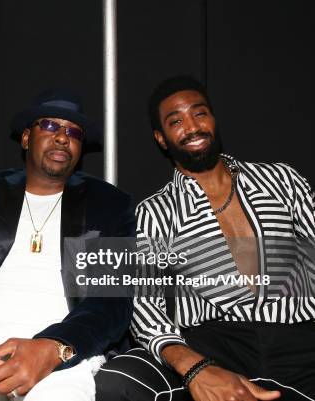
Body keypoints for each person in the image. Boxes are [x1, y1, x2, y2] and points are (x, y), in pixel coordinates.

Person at [96, 76, 315, 400]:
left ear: (213, 119)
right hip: (214, 345)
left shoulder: (281, 180)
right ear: (161, 138)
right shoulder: (155, 213)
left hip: (300, 338)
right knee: (119, 380)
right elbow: (143, 305)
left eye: (199, 114)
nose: (193, 126)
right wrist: (194, 367)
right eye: (176, 121)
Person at [0, 89, 135, 401]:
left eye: (74, 132)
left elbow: (112, 304)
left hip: (61, 355)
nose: (62, 138)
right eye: (50, 126)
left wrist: (53, 348)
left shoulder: (109, 203)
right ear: (26, 138)